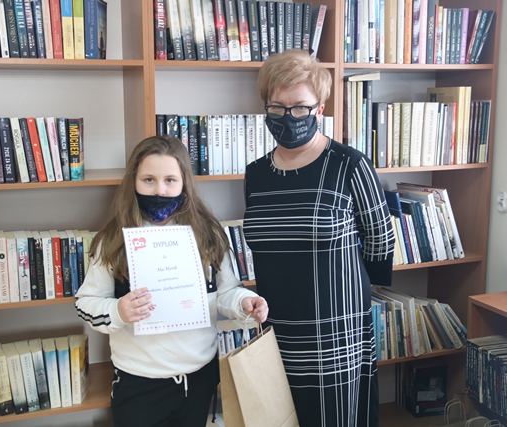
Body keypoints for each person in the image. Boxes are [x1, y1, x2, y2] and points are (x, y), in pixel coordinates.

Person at [243, 49, 395, 426]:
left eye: (300, 107)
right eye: (277, 107)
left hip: (334, 325)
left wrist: (347, 291)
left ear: (320, 109)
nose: (288, 117)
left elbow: (380, 239)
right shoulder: (256, 174)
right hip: (275, 324)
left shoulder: (350, 164)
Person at [75, 136, 268, 427]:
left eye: (170, 180)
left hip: (200, 378)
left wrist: (244, 303)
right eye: (148, 180)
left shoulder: (208, 235)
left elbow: (226, 293)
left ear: (184, 183)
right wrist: (118, 311)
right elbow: (86, 304)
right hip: (139, 384)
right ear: (133, 182)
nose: (160, 190)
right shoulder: (113, 241)